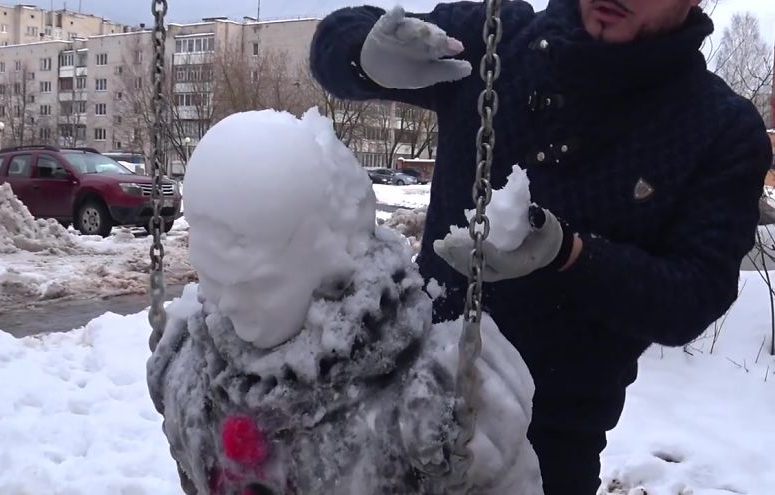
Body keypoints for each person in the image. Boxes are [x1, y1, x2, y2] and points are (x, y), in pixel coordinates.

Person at [309, 0, 773, 493]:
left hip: (549, 445)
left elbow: (692, 296)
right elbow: (333, 43)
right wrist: (364, 56)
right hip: (396, 404)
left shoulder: (719, 129)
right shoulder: (496, 39)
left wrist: (570, 255)